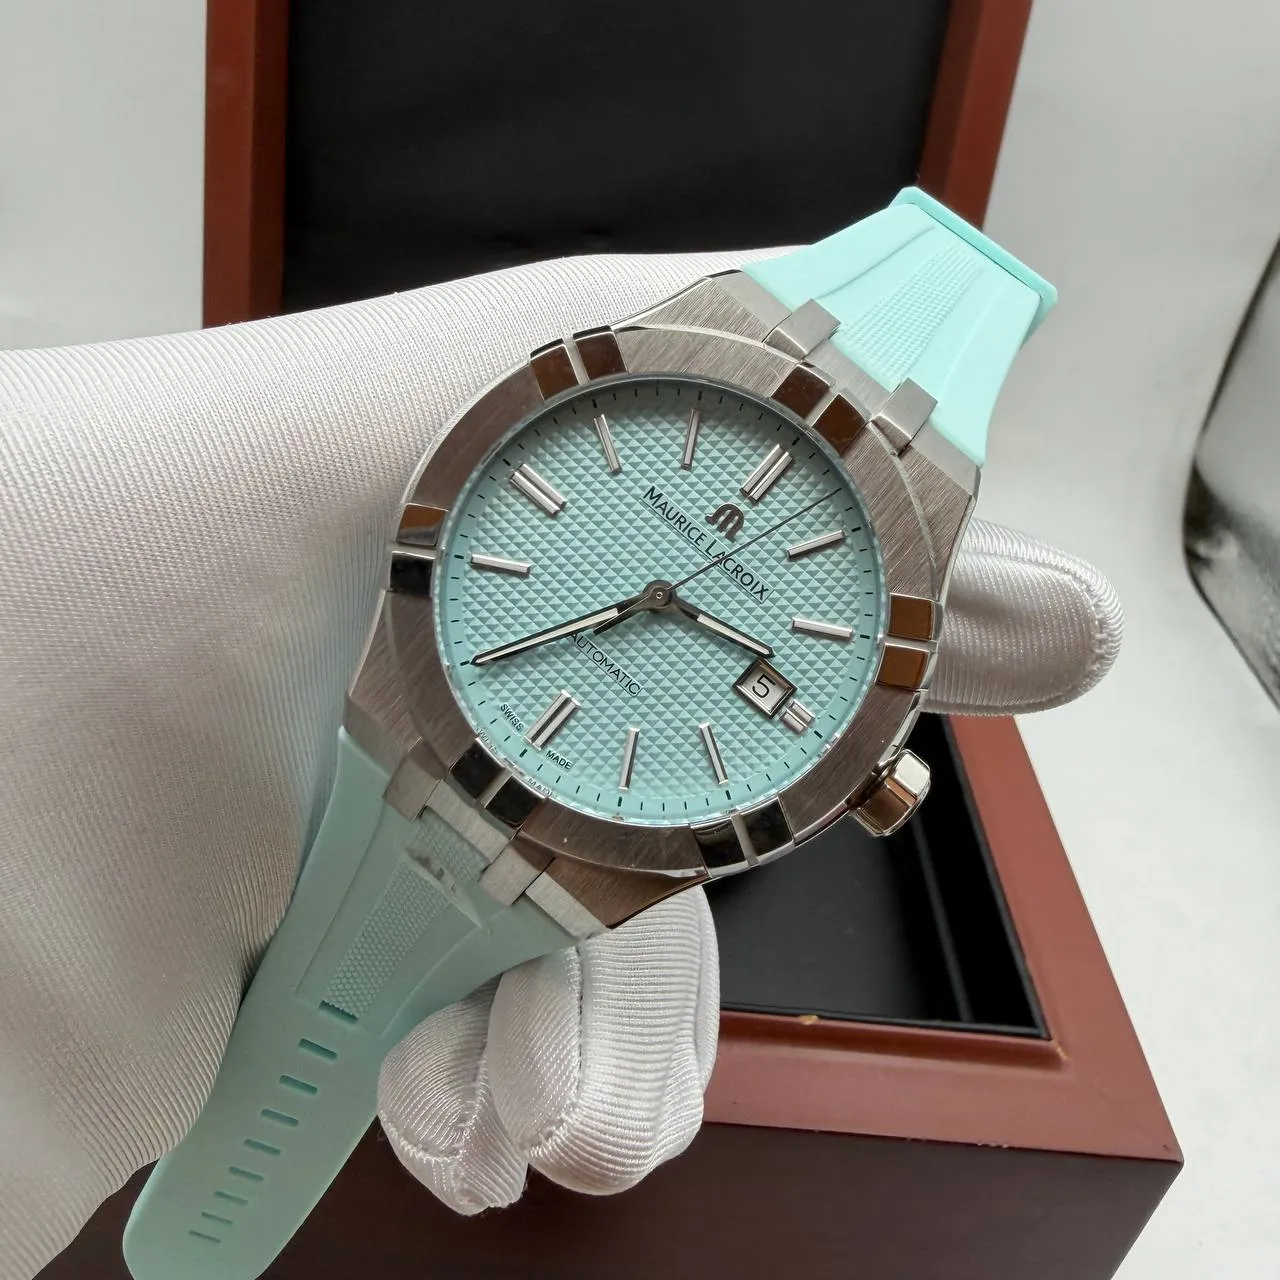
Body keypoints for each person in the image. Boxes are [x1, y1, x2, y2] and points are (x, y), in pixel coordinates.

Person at [0, 249, 1121, 1280]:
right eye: (657, 600)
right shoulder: (716, 348)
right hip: (424, 729)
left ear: (863, 768)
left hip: (545, 793)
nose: (661, 601)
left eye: (671, 608)